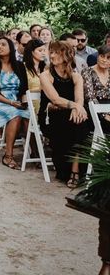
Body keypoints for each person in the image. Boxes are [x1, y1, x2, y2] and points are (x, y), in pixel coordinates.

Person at [38, 41, 88, 186]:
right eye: (51, 52)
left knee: (81, 123)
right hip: (51, 116)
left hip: (71, 115)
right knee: (76, 123)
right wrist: (77, 107)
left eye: (56, 52)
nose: (51, 55)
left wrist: (76, 108)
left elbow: (79, 99)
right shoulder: (45, 75)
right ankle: (71, 170)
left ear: (66, 55)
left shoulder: (76, 76)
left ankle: (75, 169)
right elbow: (55, 99)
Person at [0, 37, 30, 169]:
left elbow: (24, 88)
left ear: (11, 48)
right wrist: (11, 102)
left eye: (3, 44)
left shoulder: (19, 66)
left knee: (29, 116)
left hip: (17, 100)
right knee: (15, 114)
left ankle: (35, 154)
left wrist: (24, 102)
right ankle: (8, 156)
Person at [82, 44, 110, 132]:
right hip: (94, 109)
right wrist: (104, 114)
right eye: (102, 56)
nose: (104, 60)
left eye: (108, 58)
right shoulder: (87, 71)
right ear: (97, 56)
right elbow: (89, 96)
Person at [23, 38, 47, 113]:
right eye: (40, 51)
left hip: (44, 105)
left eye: (44, 50)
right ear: (31, 52)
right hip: (27, 106)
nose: (43, 53)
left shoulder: (46, 69)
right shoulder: (23, 68)